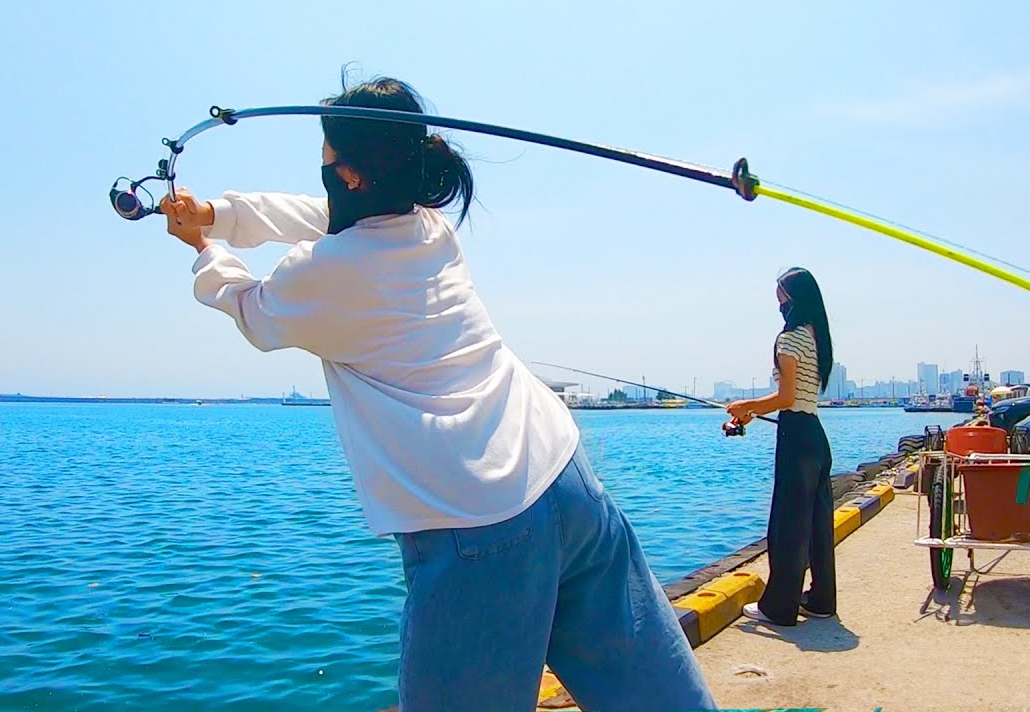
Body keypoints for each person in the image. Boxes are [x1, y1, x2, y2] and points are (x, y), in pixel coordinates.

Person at [158, 76, 715, 712]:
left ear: (351, 176)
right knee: (657, 697)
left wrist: (203, 245)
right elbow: (320, 215)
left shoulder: (326, 272)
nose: (321, 169)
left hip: (475, 520)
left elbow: (252, 310)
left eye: (325, 156)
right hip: (566, 477)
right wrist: (219, 213)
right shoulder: (427, 226)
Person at [725, 267, 836, 627]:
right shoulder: (818, 336)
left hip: (796, 440)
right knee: (817, 524)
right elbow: (798, 397)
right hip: (815, 435)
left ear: (792, 299)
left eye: (781, 299)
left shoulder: (788, 339)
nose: (779, 306)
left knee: (788, 524)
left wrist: (746, 406)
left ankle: (779, 608)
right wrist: (753, 413)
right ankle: (821, 600)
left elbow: (786, 397)